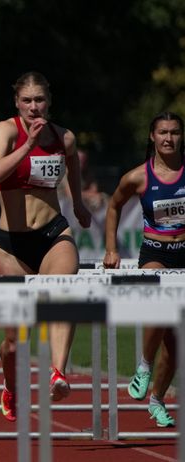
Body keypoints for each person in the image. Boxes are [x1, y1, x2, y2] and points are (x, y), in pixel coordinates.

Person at [0, 72, 91, 422]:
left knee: (63, 291)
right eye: (27, 100)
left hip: (52, 234)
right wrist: (27, 146)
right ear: (17, 102)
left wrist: (77, 203)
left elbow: (71, 161)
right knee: (14, 343)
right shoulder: (7, 131)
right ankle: (11, 385)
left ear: (49, 101)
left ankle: (58, 372)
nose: (33, 106)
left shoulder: (64, 137)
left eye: (39, 100)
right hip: (12, 245)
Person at [103, 112, 184, 428]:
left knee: (176, 347)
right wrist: (112, 248)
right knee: (160, 308)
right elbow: (113, 207)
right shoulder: (138, 176)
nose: (168, 138)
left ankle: (157, 399)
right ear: (152, 136)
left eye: (175, 132)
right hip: (156, 253)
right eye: (163, 132)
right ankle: (144, 365)